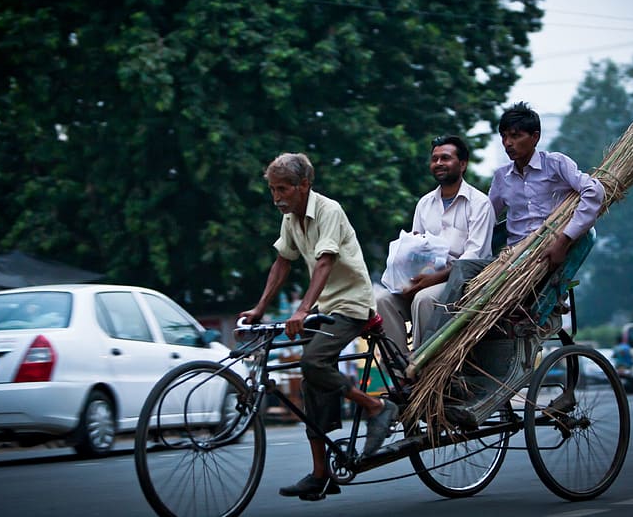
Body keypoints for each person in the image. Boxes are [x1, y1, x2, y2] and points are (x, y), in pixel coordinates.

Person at [240, 152, 398, 501]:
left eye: (283, 189)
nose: (276, 197)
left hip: (353, 304)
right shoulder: (291, 219)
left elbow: (324, 262)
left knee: (314, 362)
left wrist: (302, 308)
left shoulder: (329, 210)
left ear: (304, 185)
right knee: (311, 379)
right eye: (272, 190)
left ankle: (374, 406)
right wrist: (259, 308)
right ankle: (321, 473)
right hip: (326, 307)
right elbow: (282, 263)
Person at [426, 102, 605, 337]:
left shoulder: (557, 164)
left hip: (544, 258)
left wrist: (563, 241)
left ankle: (433, 341)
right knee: (462, 268)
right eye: (503, 137)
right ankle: (439, 339)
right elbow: (485, 215)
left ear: (535, 137)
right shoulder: (502, 177)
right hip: (510, 260)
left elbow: (594, 192)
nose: (507, 143)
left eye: (515, 136)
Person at [375, 135, 495, 357]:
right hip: (424, 279)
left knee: (424, 298)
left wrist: (429, 281)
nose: (439, 163)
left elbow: (471, 259)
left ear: (462, 164)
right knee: (381, 299)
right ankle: (400, 370)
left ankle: (422, 366)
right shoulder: (425, 203)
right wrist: (408, 277)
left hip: (463, 285)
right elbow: (416, 248)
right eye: (435, 159)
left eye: (446, 158)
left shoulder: (479, 204)